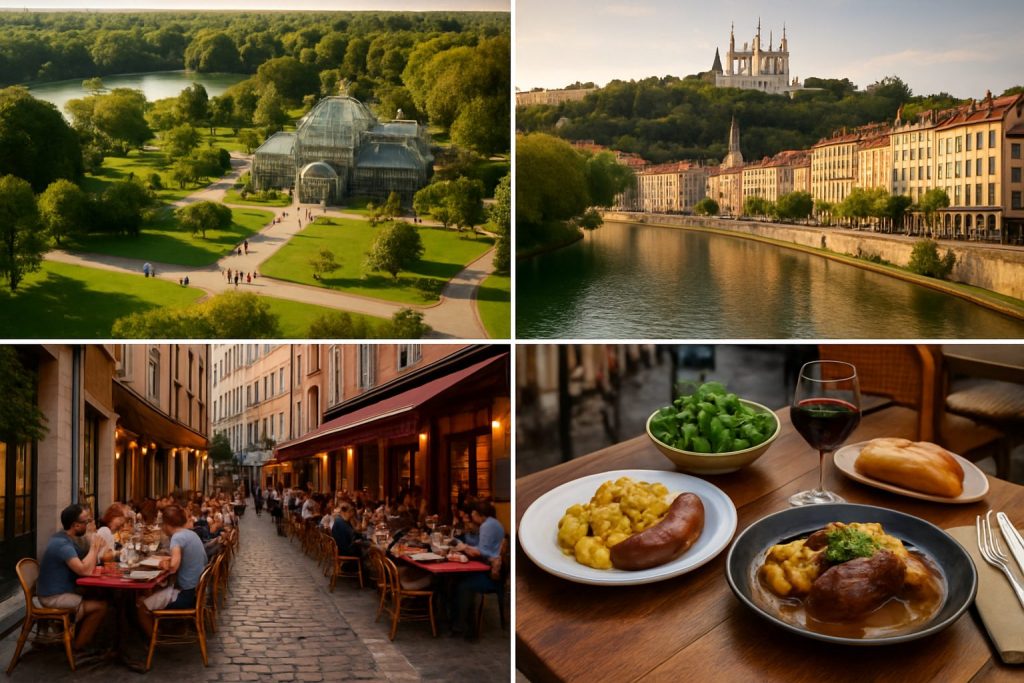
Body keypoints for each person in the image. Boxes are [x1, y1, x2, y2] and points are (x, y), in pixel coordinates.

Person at [37, 504, 109, 652]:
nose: (89, 524)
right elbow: (84, 570)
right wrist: (94, 547)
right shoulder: (62, 544)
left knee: (100, 594)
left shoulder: (66, 538)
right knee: (101, 607)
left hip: (61, 590)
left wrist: (92, 543)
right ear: (76, 525)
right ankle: (77, 648)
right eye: (87, 521)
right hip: (53, 596)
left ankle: (87, 639)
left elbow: (85, 561)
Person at [137, 505, 207, 636]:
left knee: (141, 607)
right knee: (153, 591)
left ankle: (156, 639)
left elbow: (174, 566)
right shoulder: (191, 534)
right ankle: (166, 628)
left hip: (185, 595)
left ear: (167, 525)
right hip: (196, 592)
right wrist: (169, 560)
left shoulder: (177, 538)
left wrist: (161, 564)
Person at [449, 500, 504, 638]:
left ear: (481, 514)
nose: (472, 517)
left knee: (463, 586)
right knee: (456, 581)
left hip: (492, 574)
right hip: (489, 568)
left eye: (474, 514)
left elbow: (483, 552)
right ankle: (461, 622)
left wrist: (464, 547)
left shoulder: (487, 525)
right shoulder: (493, 523)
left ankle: (463, 626)